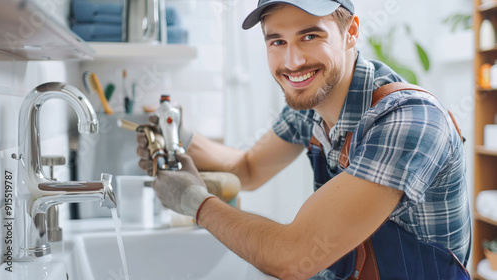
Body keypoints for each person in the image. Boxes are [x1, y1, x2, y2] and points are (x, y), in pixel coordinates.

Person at [136, 0, 471, 279]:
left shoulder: (408, 119)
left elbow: (295, 257)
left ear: (351, 31)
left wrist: (196, 202)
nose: (292, 61)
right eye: (277, 41)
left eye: (310, 36)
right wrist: (179, 135)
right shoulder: (311, 101)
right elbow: (248, 169)